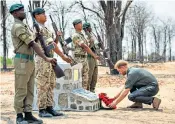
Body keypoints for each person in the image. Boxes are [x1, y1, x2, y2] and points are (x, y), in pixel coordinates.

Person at [10, 4, 57, 124]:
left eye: (23, 10)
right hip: (22, 60)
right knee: (21, 89)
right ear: (14, 14)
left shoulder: (24, 25)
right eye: (20, 11)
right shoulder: (18, 26)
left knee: (30, 89)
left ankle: (28, 114)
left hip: (29, 59)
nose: (23, 12)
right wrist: (46, 58)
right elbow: (32, 43)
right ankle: (19, 116)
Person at [32, 8, 72, 118]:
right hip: (42, 59)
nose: (45, 15)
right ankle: (42, 109)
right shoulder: (37, 28)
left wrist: (57, 37)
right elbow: (44, 45)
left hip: (50, 58)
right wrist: (63, 56)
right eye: (43, 14)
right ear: (36, 16)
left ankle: (49, 107)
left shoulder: (45, 28)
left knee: (50, 84)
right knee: (42, 84)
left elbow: (52, 44)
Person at [72, 19, 99, 90]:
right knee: (76, 80)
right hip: (77, 59)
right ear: (75, 25)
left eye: (81, 23)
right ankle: (76, 96)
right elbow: (84, 46)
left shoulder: (82, 36)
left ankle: (84, 96)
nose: (81, 24)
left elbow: (87, 46)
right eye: (79, 23)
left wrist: (91, 42)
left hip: (84, 58)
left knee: (85, 80)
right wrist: (94, 55)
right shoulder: (75, 35)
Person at [83, 22, 98, 93]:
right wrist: (90, 39)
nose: (91, 28)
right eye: (89, 27)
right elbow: (87, 47)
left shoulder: (91, 35)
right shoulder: (85, 36)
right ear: (86, 28)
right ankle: (87, 91)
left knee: (95, 76)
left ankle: (92, 90)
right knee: (89, 76)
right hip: (89, 57)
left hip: (94, 57)